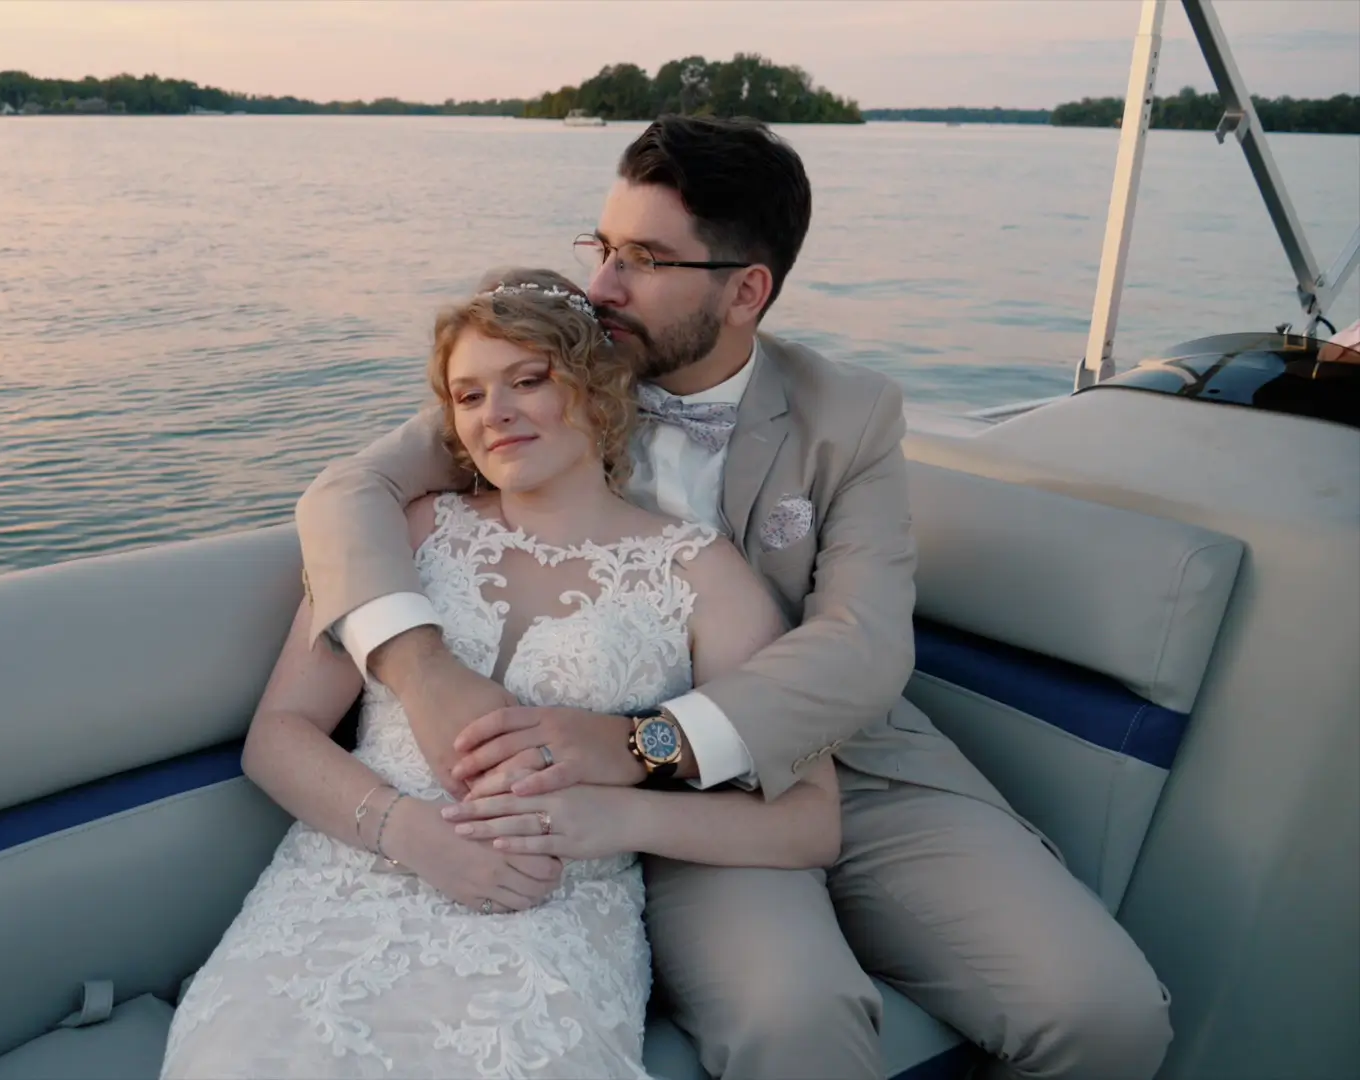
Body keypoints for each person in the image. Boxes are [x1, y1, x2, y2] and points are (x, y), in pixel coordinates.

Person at [294, 116, 1173, 1079]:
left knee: (1109, 1014)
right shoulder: (557, 372)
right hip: (603, 789)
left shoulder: (852, 413)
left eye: (644, 259)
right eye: (603, 247)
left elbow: (866, 644)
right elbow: (348, 491)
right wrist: (422, 671)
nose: (601, 287)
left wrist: (644, 744)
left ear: (747, 289)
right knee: (799, 1019)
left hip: (833, 756)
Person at [160, 269, 840, 1079]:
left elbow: (808, 820)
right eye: (469, 395)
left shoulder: (699, 573)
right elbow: (278, 737)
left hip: (546, 915)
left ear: (597, 385)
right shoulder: (405, 534)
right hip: (340, 888)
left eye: (527, 380)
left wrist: (610, 821)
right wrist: (409, 833)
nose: (498, 414)